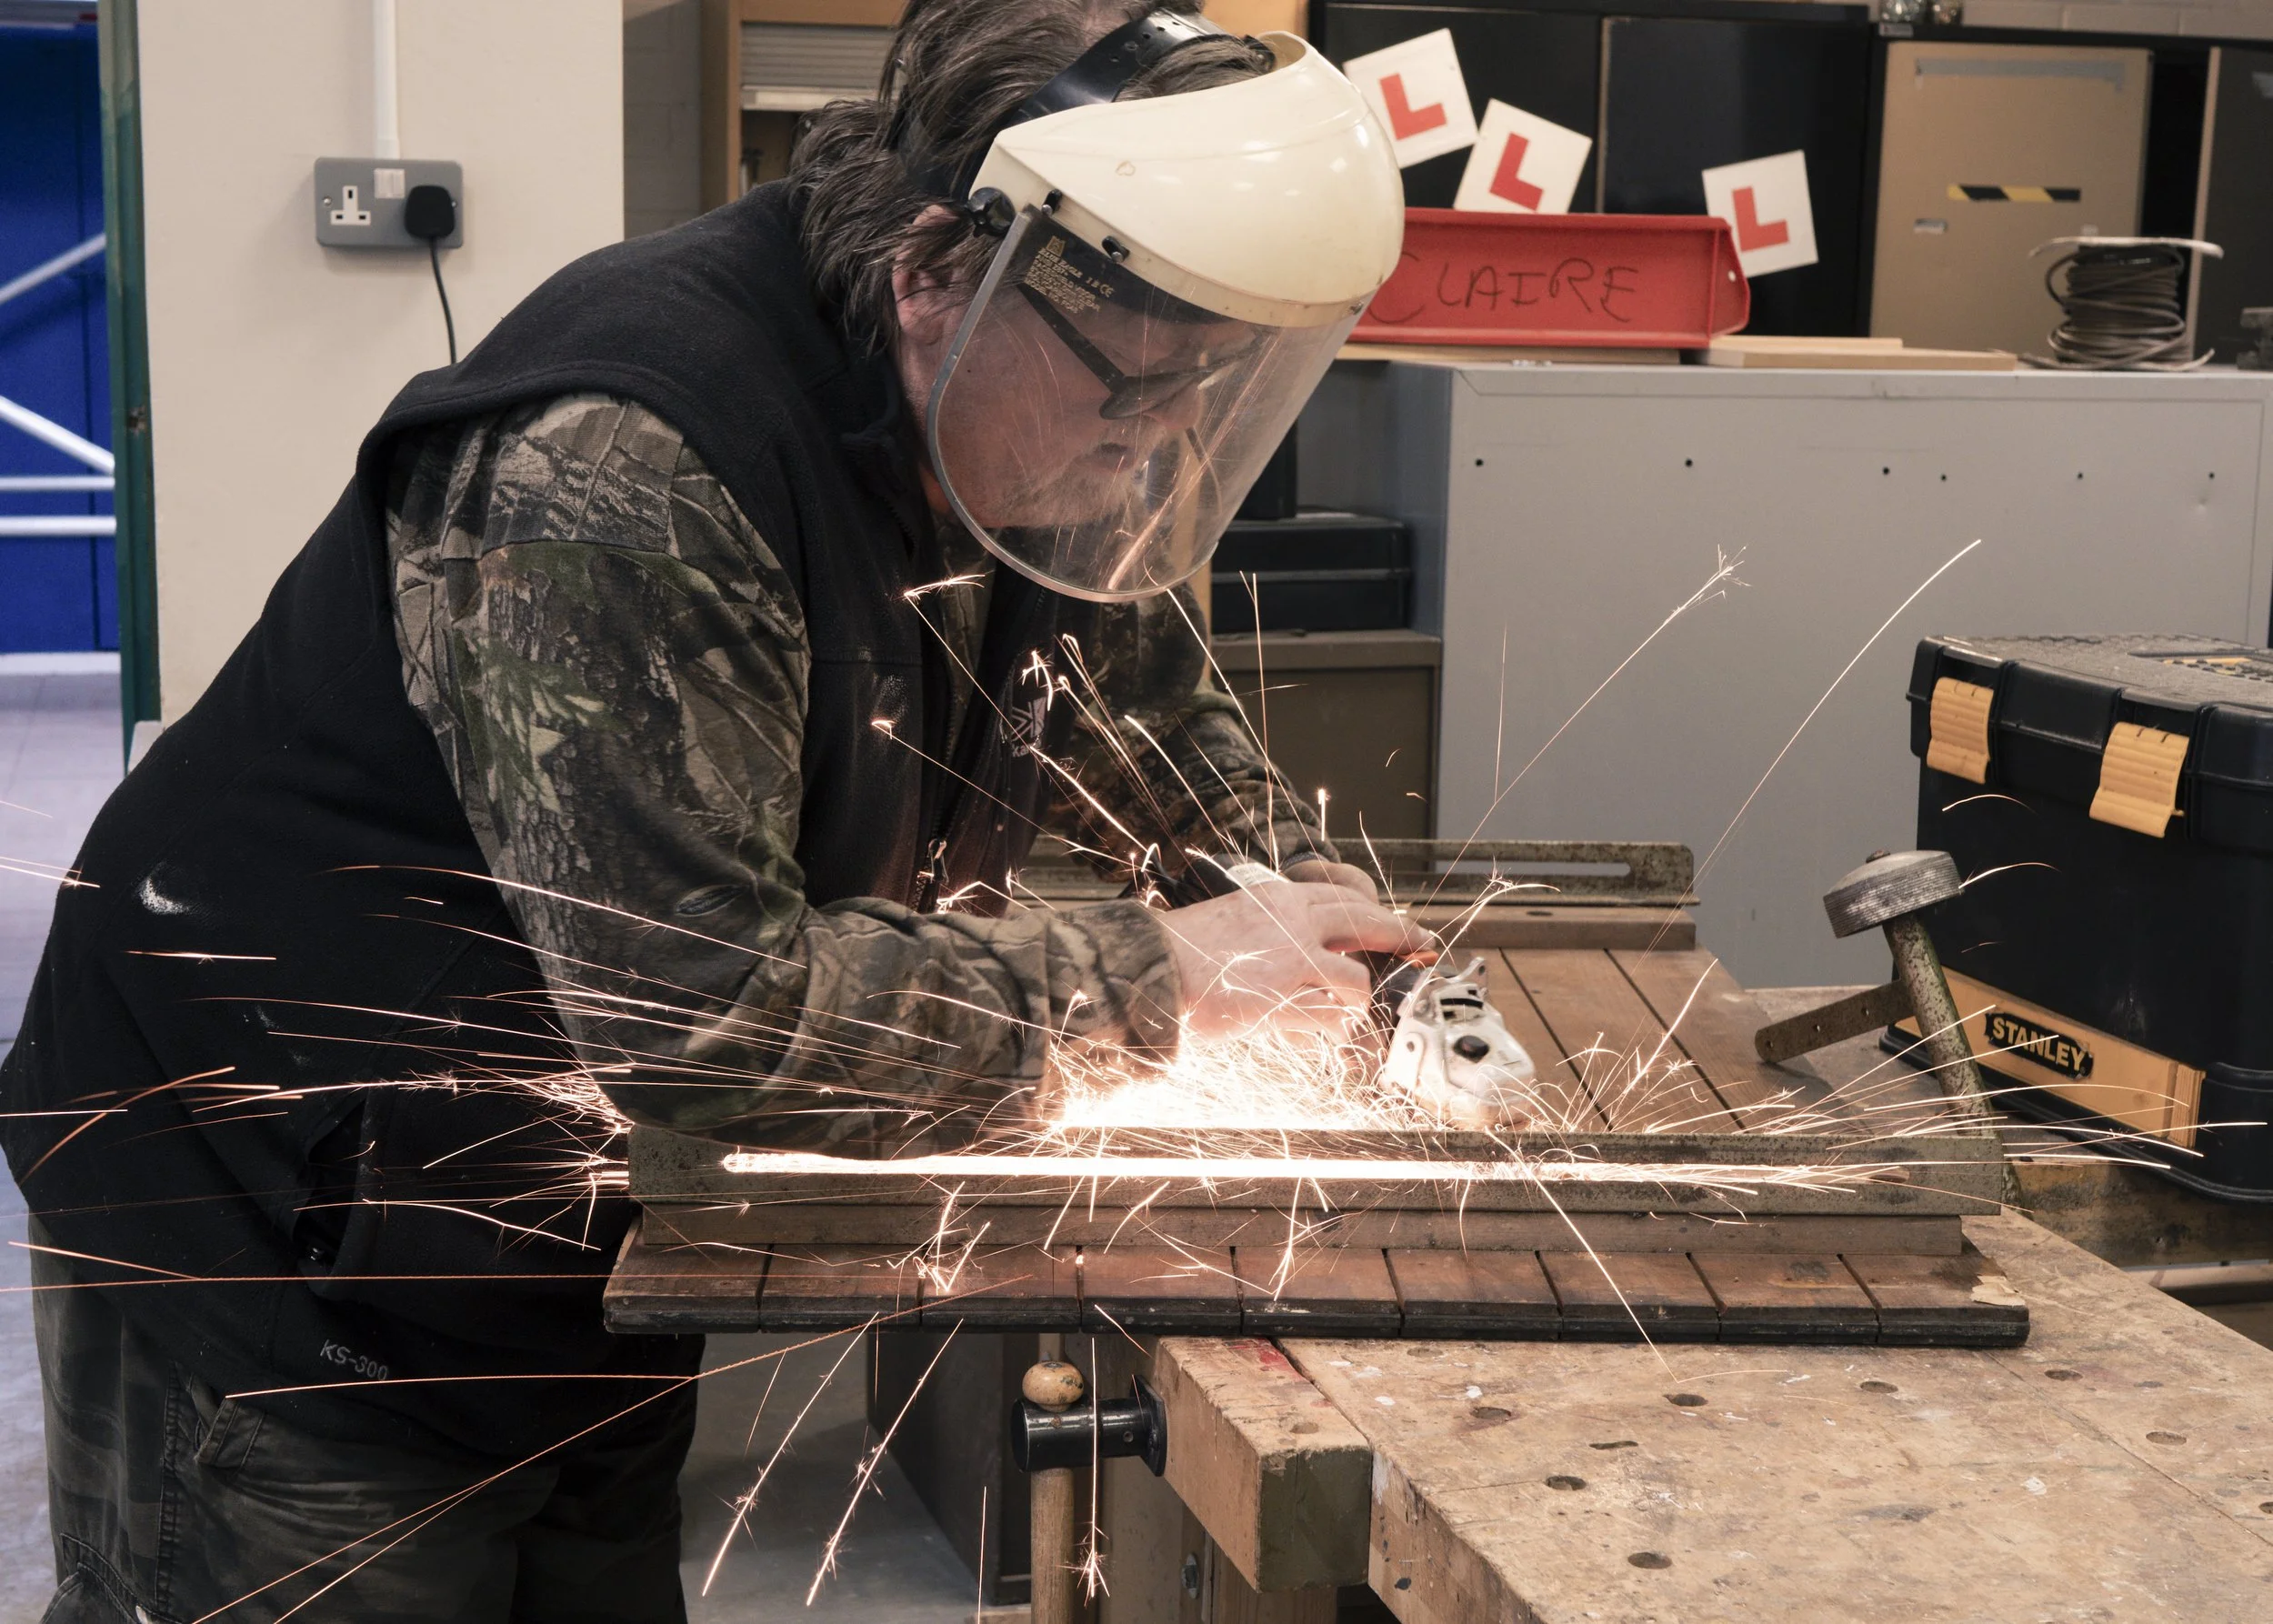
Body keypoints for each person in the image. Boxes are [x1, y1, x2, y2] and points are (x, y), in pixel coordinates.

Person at [0, 2, 1410, 1618]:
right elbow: (704, 1024)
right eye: (1138, 392)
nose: (1159, 440)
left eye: (1209, 396)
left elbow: (1128, 675)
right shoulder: (619, 475)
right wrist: (1164, 981)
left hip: (568, 1227)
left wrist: (1276, 872)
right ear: (942, 268)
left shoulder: (1034, 401)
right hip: (283, 1219)